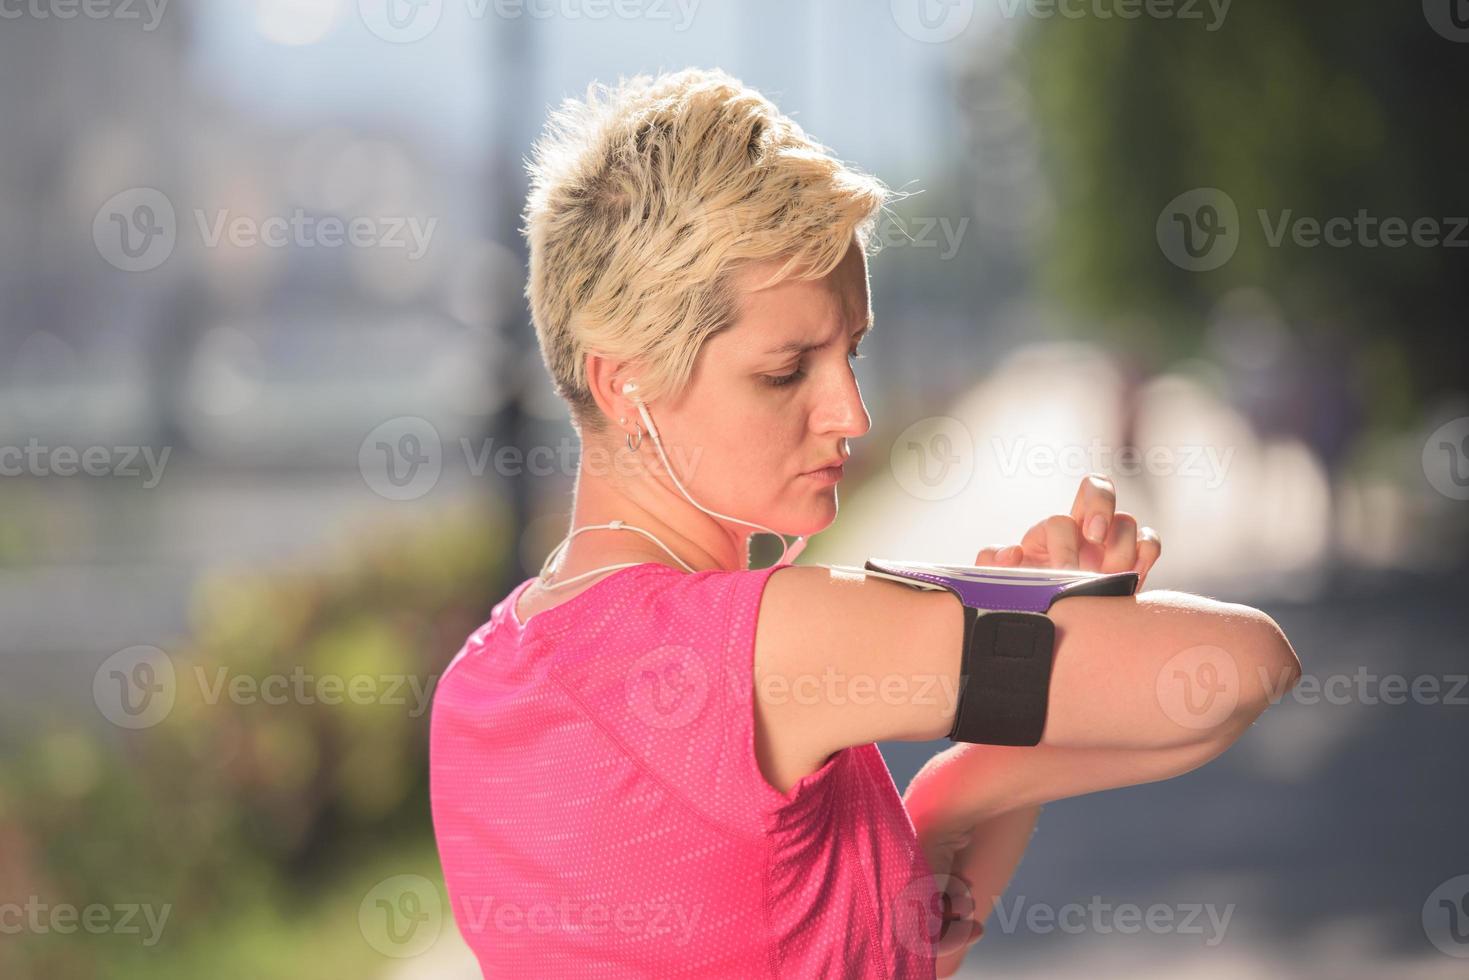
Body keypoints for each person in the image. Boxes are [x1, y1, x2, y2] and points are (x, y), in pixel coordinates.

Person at [428, 66, 1302, 979]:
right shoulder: (767, 642)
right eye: (784, 370)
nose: (851, 412)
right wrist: (1024, 626)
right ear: (621, 382)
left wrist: (957, 794)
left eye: (851, 351)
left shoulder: (475, 692)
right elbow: (1244, 667)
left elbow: (849, 945)